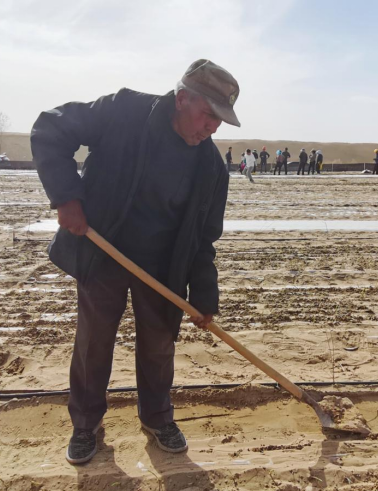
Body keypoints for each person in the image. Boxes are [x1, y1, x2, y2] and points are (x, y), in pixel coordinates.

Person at [31, 59, 240, 465]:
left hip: (162, 266)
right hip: (103, 249)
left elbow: (203, 239)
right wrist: (67, 197)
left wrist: (204, 297)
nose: (212, 128)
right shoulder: (124, 111)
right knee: (93, 341)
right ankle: (86, 423)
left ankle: (158, 417)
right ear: (182, 99)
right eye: (208, 115)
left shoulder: (211, 168)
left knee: (159, 344)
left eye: (219, 120)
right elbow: (50, 128)